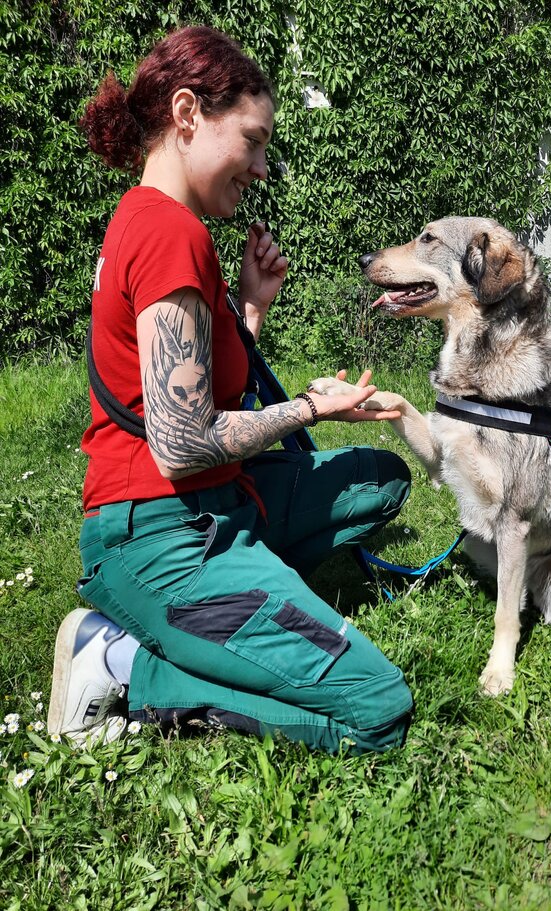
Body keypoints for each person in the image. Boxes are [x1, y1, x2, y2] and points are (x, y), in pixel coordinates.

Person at [47, 25, 413, 754]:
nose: (263, 166)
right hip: (159, 530)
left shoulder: (162, 224)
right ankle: (120, 663)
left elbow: (189, 391)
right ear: (188, 114)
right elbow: (182, 444)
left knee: (380, 478)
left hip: (212, 501)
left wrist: (249, 310)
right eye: (252, 139)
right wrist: (309, 408)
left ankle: (239, 607)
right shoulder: (167, 233)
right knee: (377, 708)